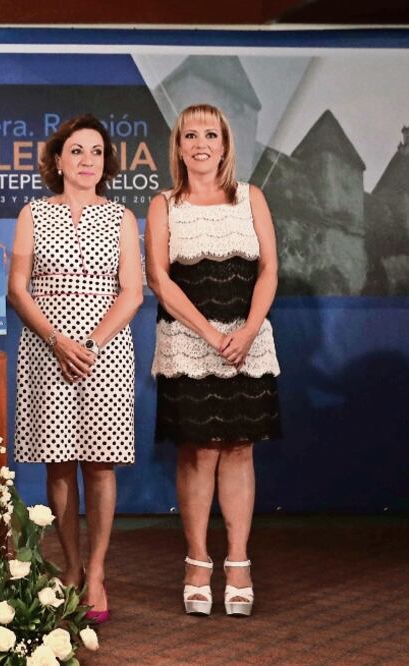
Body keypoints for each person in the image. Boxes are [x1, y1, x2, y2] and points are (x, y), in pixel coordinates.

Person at [145, 103, 281, 617]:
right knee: (200, 450)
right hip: (187, 343)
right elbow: (159, 278)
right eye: (189, 135)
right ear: (178, 147)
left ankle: (239, 563)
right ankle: (198, 561)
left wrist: (246, 331)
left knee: (241, 448)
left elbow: (269, 270)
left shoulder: (252, 198)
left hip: (250, 342)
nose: (200, 143)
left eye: (210, 134)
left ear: (225, 145)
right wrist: (208, 334)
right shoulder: (165, 203)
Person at [10, 115, 143, 624]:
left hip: (104, 352)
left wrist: (89, 342)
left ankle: (98, 572)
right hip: (47, 348)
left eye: (96, 152)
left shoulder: (122, 218)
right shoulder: (33, 213)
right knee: (59, 463)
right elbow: (18, 287)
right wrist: (56, 339)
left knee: (100, 464)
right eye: (77, 151)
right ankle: (69, 567)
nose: (88, 160)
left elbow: (131, 292)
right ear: (58, 160)